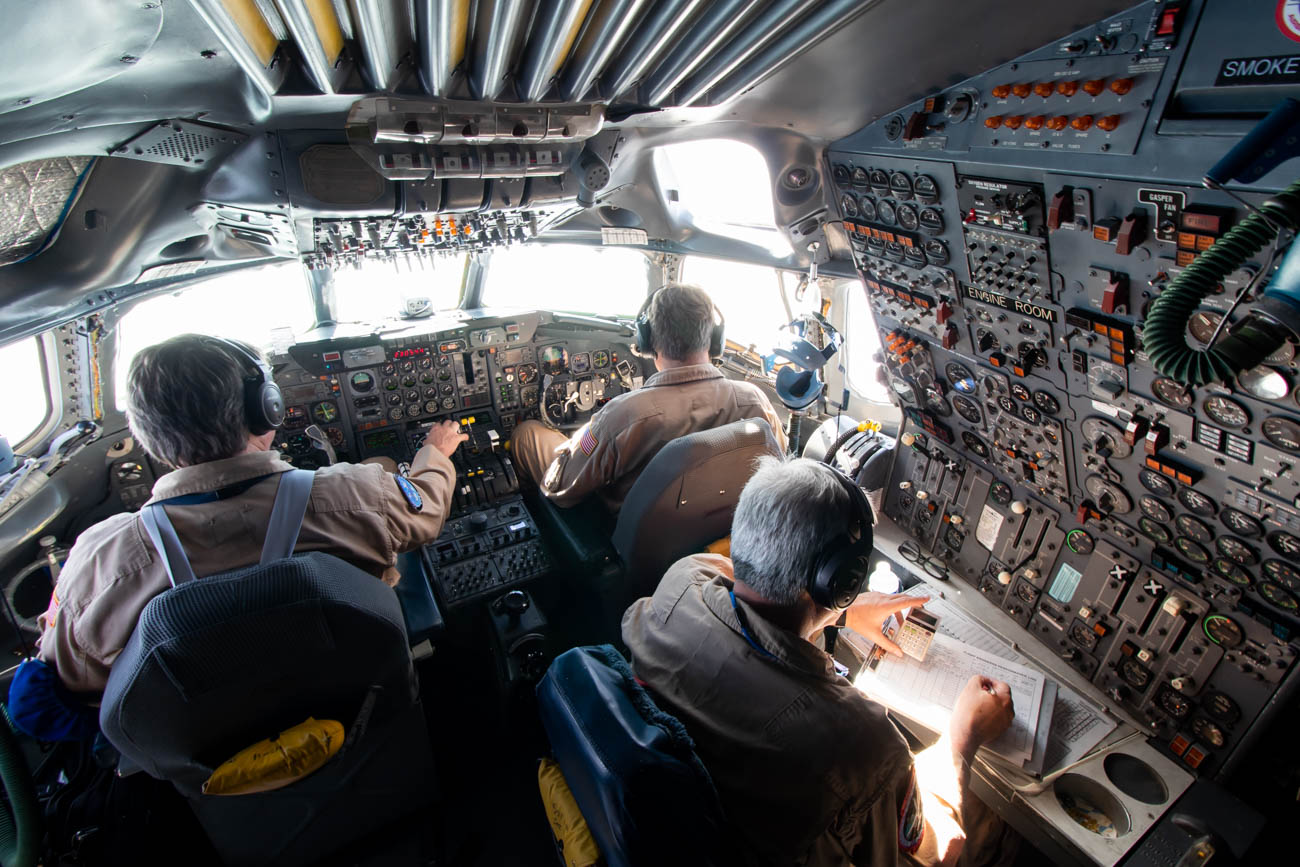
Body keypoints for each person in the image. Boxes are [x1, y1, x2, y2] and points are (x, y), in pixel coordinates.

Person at [622, 456, 1019, 867]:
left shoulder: (684, 580)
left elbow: (751, 586)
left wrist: (843, 611)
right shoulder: (864, 744)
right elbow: (933, 850)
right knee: (991, 824)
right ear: (842, 582)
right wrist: (962, 738)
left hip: (671, 821)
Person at [34, 334, 466, 697]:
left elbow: (73, 683)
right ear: (268, 410)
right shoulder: (353, 493)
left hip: (214, 762)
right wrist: (435, 452)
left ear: (148, 435)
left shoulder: (100, 561)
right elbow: (425, 514)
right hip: (356, 704)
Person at [511, 283, 786, 512]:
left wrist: (588, 432)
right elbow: (778, 469)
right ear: (715, 340)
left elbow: (560, 487)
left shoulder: (623, 415)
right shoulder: (754, 401)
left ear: (647, 341)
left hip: (631, 545)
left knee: (527, 434)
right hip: (721, 531)